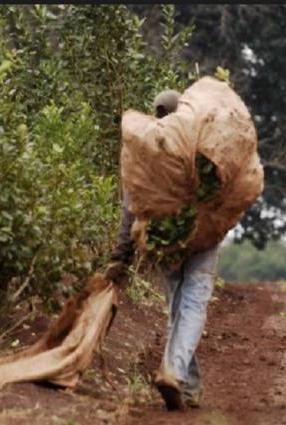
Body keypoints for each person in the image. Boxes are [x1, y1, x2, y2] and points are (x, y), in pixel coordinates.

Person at [104, 89, 219, 411]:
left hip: (164, 243)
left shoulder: (145, 152)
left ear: (156, 115)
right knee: (193, 306)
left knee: (177, 311)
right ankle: (175, 373)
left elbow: (130, 207)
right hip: (203, 240)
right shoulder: (203, 145)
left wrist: (120, 255)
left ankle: (187, 384)